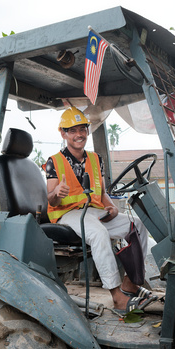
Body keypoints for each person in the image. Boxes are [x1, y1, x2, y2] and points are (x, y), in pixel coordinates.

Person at [45, 106, 153, 314]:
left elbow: (102, 192)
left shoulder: (96, 159)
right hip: (66, 214)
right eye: (73, 130)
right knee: (98, 232)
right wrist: (57, 192)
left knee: (136, 225)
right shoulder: (54, 162)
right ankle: (117, 296)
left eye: (82, 129)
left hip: (93, 210)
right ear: (63, 133)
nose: (79, 135)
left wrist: (110, 206)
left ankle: (131, 283)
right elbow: (52, 199)